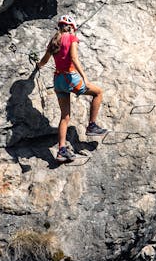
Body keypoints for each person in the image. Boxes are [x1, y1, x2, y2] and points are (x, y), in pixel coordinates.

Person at [36, 14, 106, 162]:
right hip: (70, 78)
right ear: (72, 28)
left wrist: (37, 66)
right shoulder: (72, 38)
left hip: (58, 81)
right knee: (98, 92)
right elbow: (74, 58)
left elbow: (44, 60)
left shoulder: (54, 40)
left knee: (65, 117)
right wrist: (84, 77)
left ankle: (61, 151)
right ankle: (92, 126)